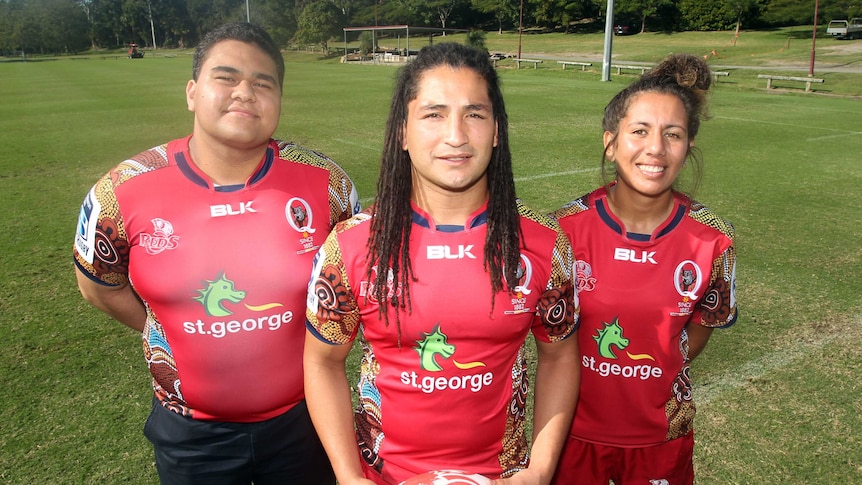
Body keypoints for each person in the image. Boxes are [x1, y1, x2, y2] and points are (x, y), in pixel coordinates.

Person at [73, 22, 359, 484]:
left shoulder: (328, 184)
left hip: (308, 425)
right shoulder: (121, 189)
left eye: (263, 83)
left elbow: (352, 288)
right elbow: (97, 286)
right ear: (192, 91)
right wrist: (164, 326)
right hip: (190, 436)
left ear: (279, 101)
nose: (245, 92)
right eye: (226, 77)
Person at [303, 42, 580, 485]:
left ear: (496, 131)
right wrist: (347, 476)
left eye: (474, 114)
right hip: (384, 477)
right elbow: (321, 362)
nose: (456, 135)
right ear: (403, 132)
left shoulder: (544, 242)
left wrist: (541, 469)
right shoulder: (351, 244)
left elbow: (560, 356)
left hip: (502, 477)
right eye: (433, 114)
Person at [550, 53, 738, 485]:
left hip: (661, 440)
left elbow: (702, 325)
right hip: (569, 434)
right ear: (611, 141)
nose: (656, 148)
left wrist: (652, 367)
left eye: (673, 134)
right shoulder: (562, 230)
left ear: (688, 146)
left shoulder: (714, 239)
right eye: (640, 131)